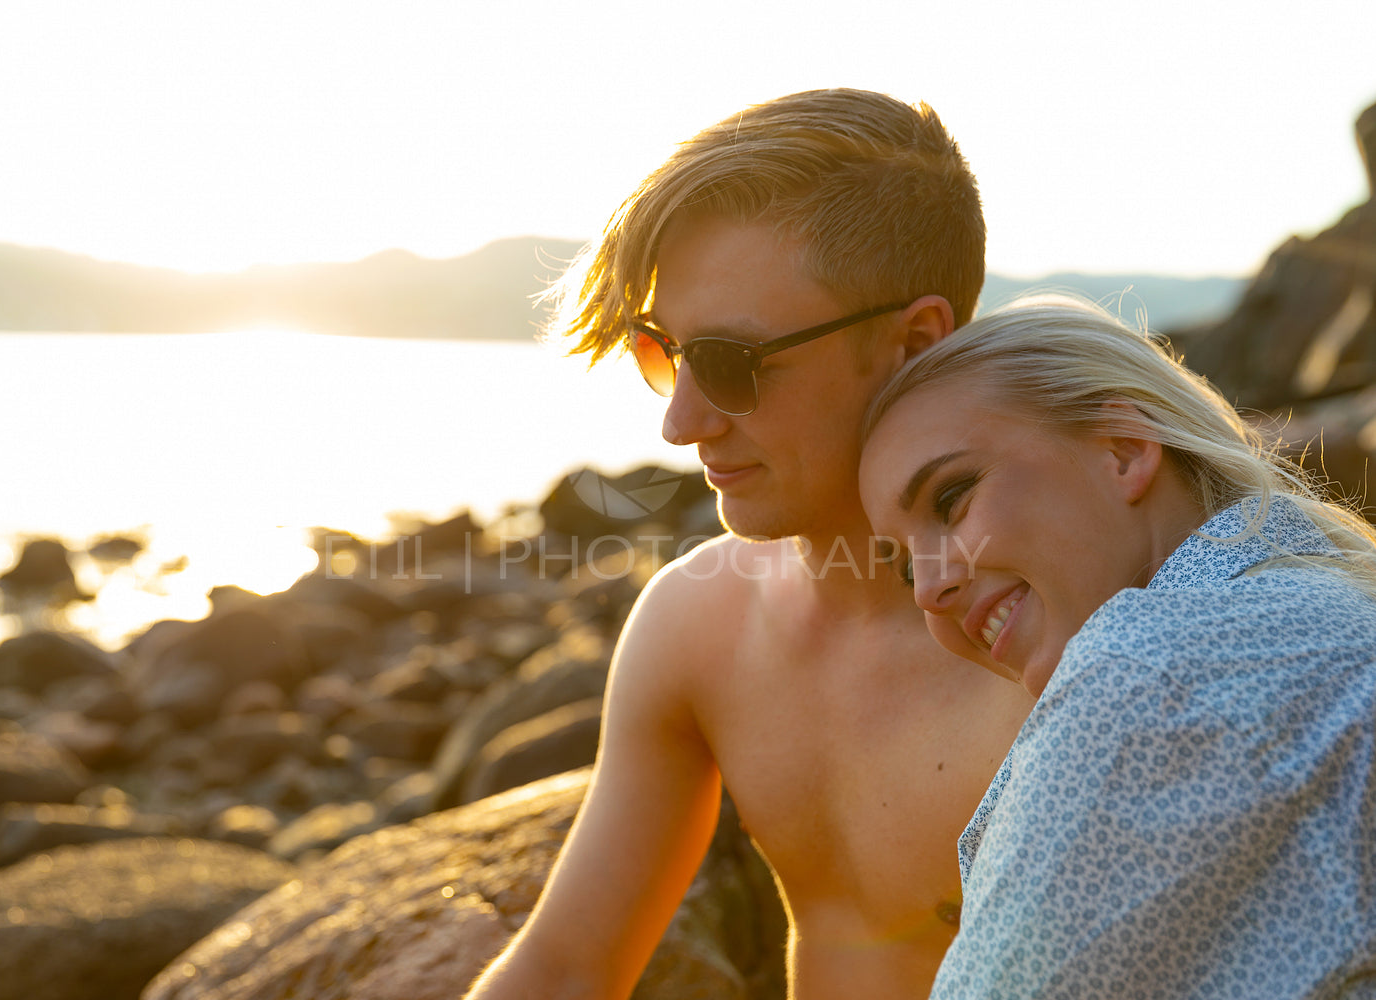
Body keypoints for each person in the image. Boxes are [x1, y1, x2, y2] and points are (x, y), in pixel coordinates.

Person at [464, 90, 1035, 1000]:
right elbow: (567, 969)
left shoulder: (1069, 645)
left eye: (731, 365)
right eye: (664, 352)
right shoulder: (701, 623)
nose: (680, 424)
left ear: (914, 342)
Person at [858, 296, 1376, 998]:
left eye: (952, 499)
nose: (928, 591)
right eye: (907, 565)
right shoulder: (1323, 602)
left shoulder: (1148, 675)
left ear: (1125, 448)